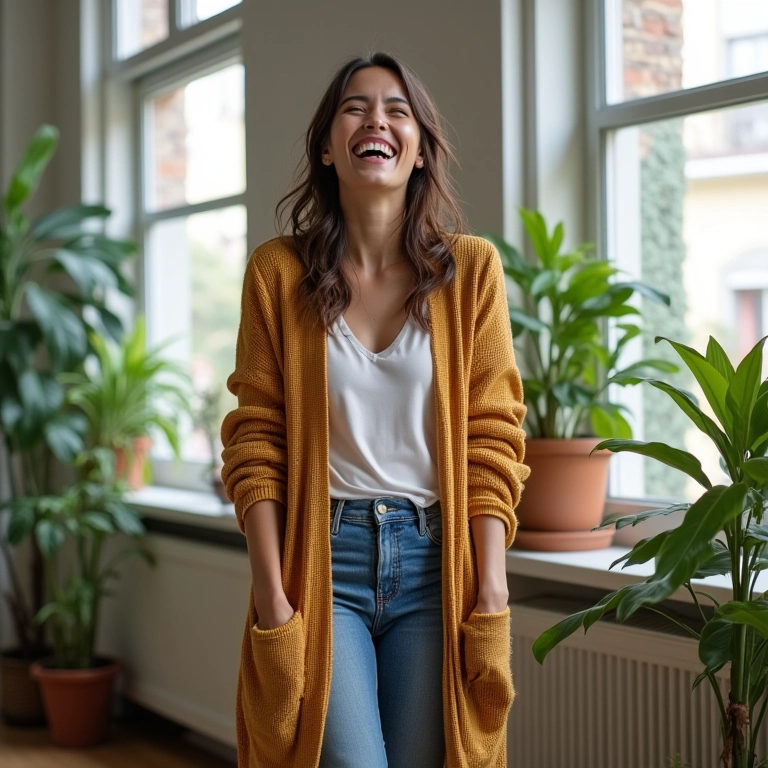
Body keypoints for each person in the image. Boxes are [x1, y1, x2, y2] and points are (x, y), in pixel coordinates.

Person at [221, 52, 530, 768]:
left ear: (419, 148)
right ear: (328, 148)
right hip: (323, 563)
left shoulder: (472, 273)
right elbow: (255, 440)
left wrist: (490, 587)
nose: (376, 120)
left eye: (397, 109)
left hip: (435, 567)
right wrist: (272, 593)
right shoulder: (278, 274)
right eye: (355, 107)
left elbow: (493, 437)